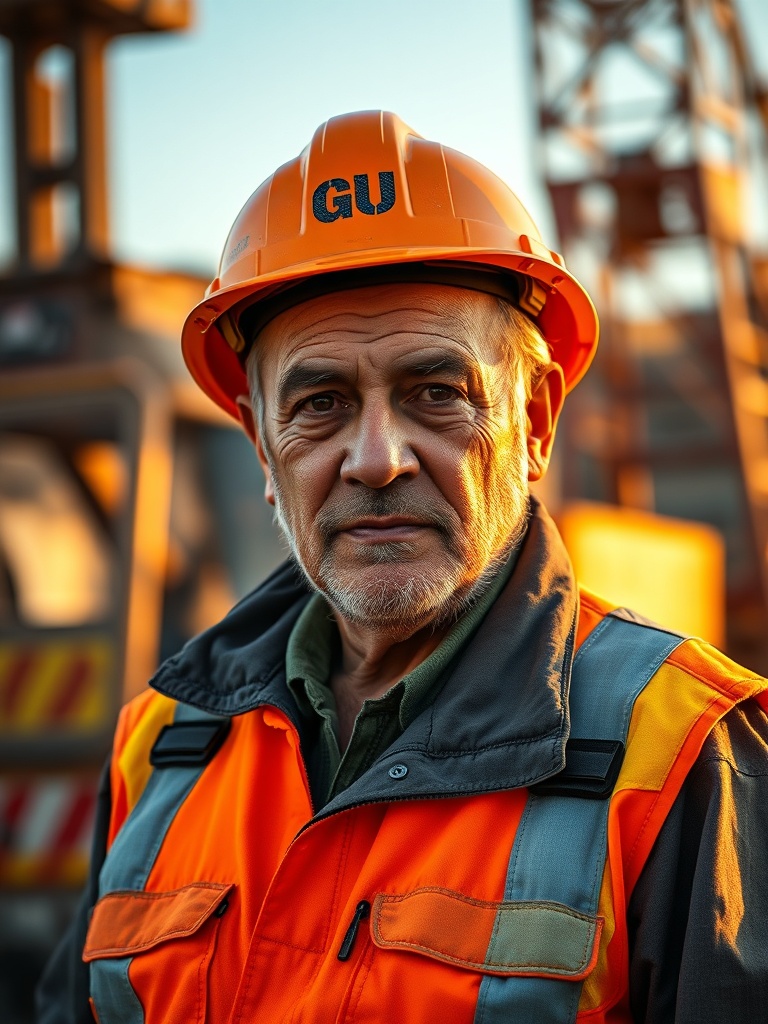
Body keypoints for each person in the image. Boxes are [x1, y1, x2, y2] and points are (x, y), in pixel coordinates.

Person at [38, 110, 768, 1024]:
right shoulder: (160, 747)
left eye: (436, 393)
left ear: (535, 421)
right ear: (264, 453)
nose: (376, 457)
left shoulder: (687, 752)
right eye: (321, 403)